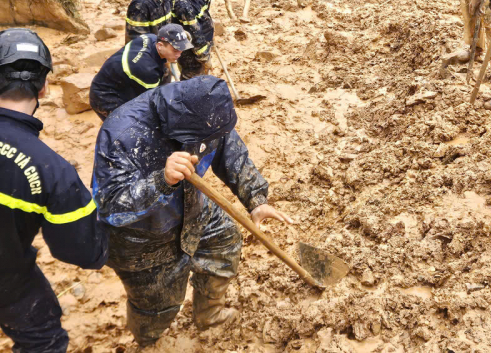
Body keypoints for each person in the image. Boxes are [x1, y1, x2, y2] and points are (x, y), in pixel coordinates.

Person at [92, 76, 292, 346]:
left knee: (225, 244)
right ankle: (150, 342)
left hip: (194, 207)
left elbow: (227, 147)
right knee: (158, 303)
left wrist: (255, 198)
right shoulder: (121, 133)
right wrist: (161, 180)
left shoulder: (206, 110)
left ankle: (209, 315)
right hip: (140, 237)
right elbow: (110, 205)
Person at [0, 28, 107, 352]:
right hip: (8, 279)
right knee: (44, 340)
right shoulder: (52, 172)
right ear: (45, 88)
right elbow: (82, 251)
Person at [89, 24, 193, 120]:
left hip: (118, 78)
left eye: (181, 49)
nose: (179, 55)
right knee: (128, 128)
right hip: (105, 96)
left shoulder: (151, 38)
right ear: (160, 45)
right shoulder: (146, 70)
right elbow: (151, 102)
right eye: (175, 50)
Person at [174, 0, 215, 80]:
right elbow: (194, 33)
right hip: (191, 54)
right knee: (192, 82)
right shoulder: (183, 3)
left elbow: (203, 16)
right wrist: (204, 57)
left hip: (202, 46)